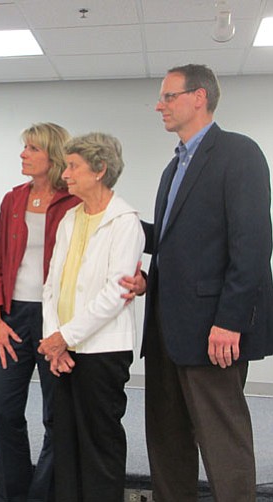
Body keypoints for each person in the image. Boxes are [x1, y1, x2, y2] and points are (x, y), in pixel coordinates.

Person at [121, 63, 273, 502]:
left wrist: (230, 321)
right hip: (166, 328)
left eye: (169, 96)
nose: (159, 105)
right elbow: (176, 243)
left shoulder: (238, 154)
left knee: (223, 443)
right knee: (167, 442)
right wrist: (115, 220)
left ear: (199, 97)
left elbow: (252, 246)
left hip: (213, 331)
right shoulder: (174, 168)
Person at [38, 133, 144, 502]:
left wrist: (64, 336)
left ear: (99, 170)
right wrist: (55, 342)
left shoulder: (125, 220)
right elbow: (51, 285)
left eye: (73, 166)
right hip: (63, 352)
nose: (65, 173)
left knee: (100, 444)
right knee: (65, 442)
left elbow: (116, 292)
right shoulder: (69, 218)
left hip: (103, 351)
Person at [0, 123, 79, 502]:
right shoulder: (12, 199)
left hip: (55, 320)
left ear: (52, 156)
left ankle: (42, 495)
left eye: (32, 148)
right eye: (24, 146)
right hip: (12, 317)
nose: (23, 153)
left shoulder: (73, 201)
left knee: (56, 417)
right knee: (4, 411)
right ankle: (14, 493)